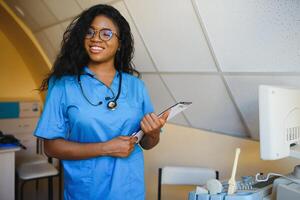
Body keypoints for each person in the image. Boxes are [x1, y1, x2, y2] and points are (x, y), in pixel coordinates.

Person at [34, 4, 169, 200]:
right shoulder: (63, 85)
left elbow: (148, 144)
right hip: (87, 191)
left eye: (106, 33)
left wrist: (153, 132)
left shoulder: (135, 86)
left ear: (120, 42)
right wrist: (105, 147)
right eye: (90, 32)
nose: (95, 38)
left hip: (129, 190)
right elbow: (51, 147)